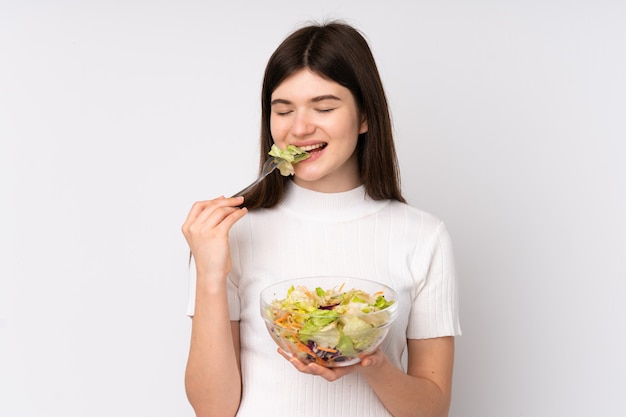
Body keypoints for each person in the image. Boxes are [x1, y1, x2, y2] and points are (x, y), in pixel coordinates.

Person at [182, 20, 461, 417]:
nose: (300, 128)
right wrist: (209, 274)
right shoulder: (230, 234)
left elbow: (432, 410)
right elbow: (213, 410)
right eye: (283, 110)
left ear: (365, 117)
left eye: (325, 107)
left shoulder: (423, 236)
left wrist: (370, 361)